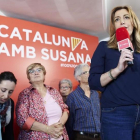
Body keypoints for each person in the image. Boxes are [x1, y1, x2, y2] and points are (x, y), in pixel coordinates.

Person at [88, 6, 140, 140]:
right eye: (117, 19)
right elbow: (93, 82)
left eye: (126, 17)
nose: (122, 22)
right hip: (116, 114)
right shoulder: (104, 47)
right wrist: (117, 70)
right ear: (114, 26)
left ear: (133, 22)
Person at [16, 63, 69, 140]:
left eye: (39, 70)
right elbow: (22, 119)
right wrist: (48, 129)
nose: (36, 73)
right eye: (32, 71)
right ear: (29, 77)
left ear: (44, 74)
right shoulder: (25, 94)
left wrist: (60, 125)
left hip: (60, 137)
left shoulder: (53, 91)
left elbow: (65, 110)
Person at [66, 63, 100, 140]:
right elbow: (70, 122)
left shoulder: (95, 94)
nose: (90, 74)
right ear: (79, 77)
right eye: (86, 72)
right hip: (82, 136)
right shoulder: (72, 97)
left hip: (99, 136)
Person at [0, 71, 17, 140]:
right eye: (3, 90)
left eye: (10, 92)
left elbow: (9, 131)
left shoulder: (10, 103)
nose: (6, 95)